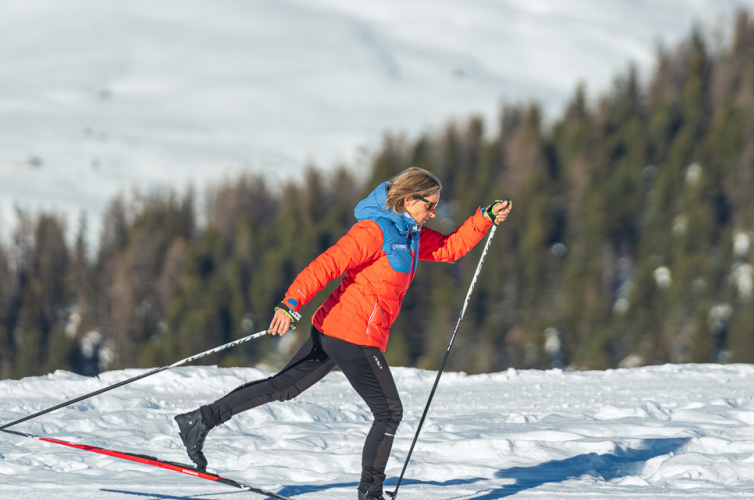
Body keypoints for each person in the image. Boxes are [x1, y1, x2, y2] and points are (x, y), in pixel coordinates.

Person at [173, 167, 510, 500]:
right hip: (353, 335)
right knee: (389, 413)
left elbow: (449, 249)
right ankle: (370, 493)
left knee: (283, 387)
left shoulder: (411, 233)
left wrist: (484, 217)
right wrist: (290, 303)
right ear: (409, 200)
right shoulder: (375, 230)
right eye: (429, 205)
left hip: (337, 328)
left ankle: (200, 420)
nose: (434, 212)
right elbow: (326, 265)